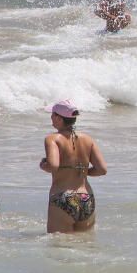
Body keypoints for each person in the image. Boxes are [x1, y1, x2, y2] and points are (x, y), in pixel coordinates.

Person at [40, 100, 107, 233]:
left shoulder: (52, 139)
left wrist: (43, 165)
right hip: (86, 198)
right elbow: (102, 169)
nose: (51, 117)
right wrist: (83, 171)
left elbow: (53, 165)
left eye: (53, 114)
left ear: (59, 118)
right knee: (83, 245)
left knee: (60, 248)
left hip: (63, 197)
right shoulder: (88, 139)